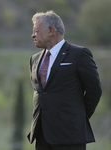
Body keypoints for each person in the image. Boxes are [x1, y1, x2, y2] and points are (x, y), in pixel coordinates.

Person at [27, 10, 102, 150]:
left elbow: (95, 91)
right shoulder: (34, 59)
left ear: (51, 31)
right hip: (42, 135)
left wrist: (77, 118)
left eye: (36, 31)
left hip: (70, 135)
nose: (32, 35)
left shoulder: (79, 54)